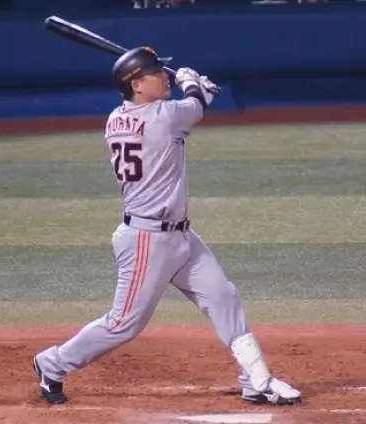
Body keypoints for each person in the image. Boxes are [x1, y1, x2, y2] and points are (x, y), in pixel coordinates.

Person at [33, 46, 302, 406]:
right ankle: (52, 364)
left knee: (223, 296)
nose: (164, 77)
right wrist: (194, 86)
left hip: (181, 237)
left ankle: (255, 380)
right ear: (136, 84)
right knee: (123, 324)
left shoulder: (117, 118)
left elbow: (190, 107)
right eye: (157, 73)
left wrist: (195, 92)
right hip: (147, 240)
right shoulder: (163, 117)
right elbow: (195, 107)